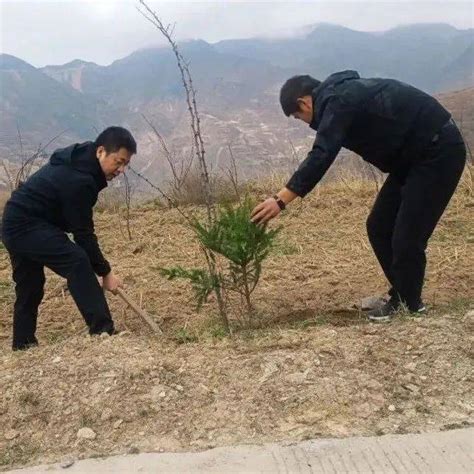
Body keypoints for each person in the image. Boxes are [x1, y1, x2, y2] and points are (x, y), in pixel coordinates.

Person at [251, 71, 466, 322]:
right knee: (379, 226)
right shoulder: (339, 96)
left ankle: (411, 306)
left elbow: (322, 153)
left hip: (437, 152)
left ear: (304, 102)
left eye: (300, 117)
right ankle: (403, 294)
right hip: (411, 159)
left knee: (407, 236)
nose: (307, 123)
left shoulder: (338, 101)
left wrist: (280, 200)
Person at [2, 126, 136, 350]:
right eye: (118, 161)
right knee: (76, 261)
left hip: (15, 221)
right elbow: (83, 234)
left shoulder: (81, 159)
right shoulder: (80, 180)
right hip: (25, 224)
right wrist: (105, 272)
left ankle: (23, 344)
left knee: (30, 285)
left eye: (125, 164)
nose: (121, 169)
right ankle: (103, 330)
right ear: (101, 151)